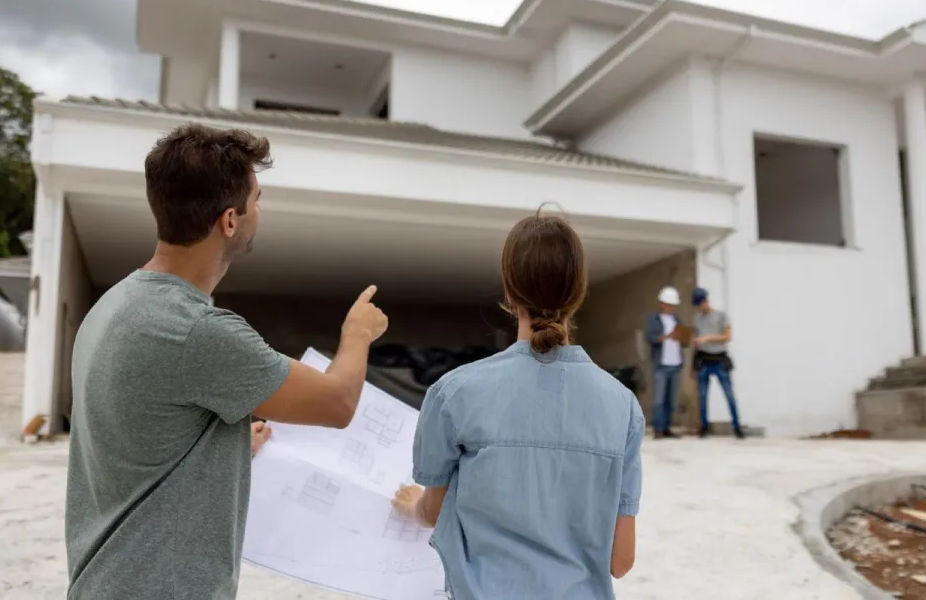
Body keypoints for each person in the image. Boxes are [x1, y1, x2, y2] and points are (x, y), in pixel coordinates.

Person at [64, 123, 389, 600]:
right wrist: (357, 334)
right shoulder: (196, 330)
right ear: (230, 220)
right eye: (257, 199)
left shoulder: (115, 304)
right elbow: (337, 402)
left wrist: (231, 444)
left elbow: (141, 433)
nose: (261, 211)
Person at [390, 211, 643, 599]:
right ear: (578, 292)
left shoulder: (454, 392)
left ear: (509, 293)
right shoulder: (622, 406)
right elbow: (620, 561)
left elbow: (432, 512)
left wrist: (412, 505)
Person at [691, 287, 745, 439]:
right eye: (697, 304)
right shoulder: (696, 319)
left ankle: (737, 426)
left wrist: (707, 338)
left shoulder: (721, 316)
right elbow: (695, 342)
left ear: (706, 301)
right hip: (703, 360)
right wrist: (692, 366)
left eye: (701, 302)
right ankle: (704, 427)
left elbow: (727, 337)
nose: (700, 306)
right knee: (702, 396)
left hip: (719, 360)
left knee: (729, 394)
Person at [644, 286, 685, 439]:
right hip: (661, 365)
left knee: (671, 400)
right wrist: (667, 336)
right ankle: (658, 429)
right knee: (659, 399)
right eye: (668, 304)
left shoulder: (677, 320)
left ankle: (667, 428)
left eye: (672, 304)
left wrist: (681, 337)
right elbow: (650, 338)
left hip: (676, 363)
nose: (670, 307)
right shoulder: (653, 319)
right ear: (662, 303)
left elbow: (684, 341)